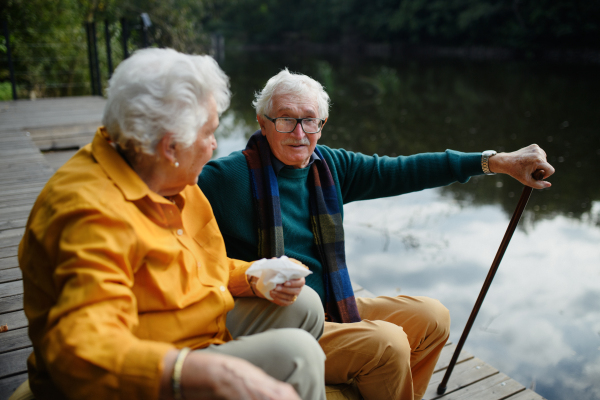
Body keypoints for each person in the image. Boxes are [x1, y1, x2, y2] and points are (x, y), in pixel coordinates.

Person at [197, 68, 556, 400]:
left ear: (322, 123)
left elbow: (403, 171)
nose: (300, 133)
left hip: (333, 308)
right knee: (388, 344)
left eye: (309, 121)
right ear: (263, 122)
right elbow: (173, 228)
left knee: (432, 318)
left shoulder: (330, 166)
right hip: (279, 325)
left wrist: (496, 161)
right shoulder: (224, 178)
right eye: (287, 120)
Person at [16, 51, 326, 400]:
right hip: (142, 367)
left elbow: (199, 266)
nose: (214, 146)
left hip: (193, 324)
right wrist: (202, 372)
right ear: (170, 146)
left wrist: (254, 276)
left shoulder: (172, 179)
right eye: (209, 133)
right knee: (299, 356)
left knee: (305, 305)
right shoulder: (88, 214)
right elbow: (82, 349)